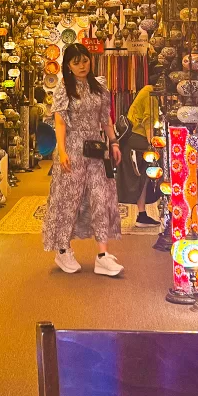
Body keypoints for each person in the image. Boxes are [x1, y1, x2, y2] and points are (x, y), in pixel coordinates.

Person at [42, 43, 124, 276]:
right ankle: (62, 249)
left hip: (96, 149)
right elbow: (59, 122)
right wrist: (63, 151)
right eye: (76, 62)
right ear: (68, 65)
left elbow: (105, 118)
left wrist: (114, 141)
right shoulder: (63, 88)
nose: (81, 66)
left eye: (85, 60)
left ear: (90, 60)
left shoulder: (99, 86)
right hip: (72, 148)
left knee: (101, 196)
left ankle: (102, 255)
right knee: (69, 199)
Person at [116, 67, 162, 227]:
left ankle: (142, 215)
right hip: (139, 140)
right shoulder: (151, 93)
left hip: (134, 141)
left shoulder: (146, 90)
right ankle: (142, 215)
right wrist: (152, 144)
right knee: (146, 175)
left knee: (142, 179)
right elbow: (148, 121)